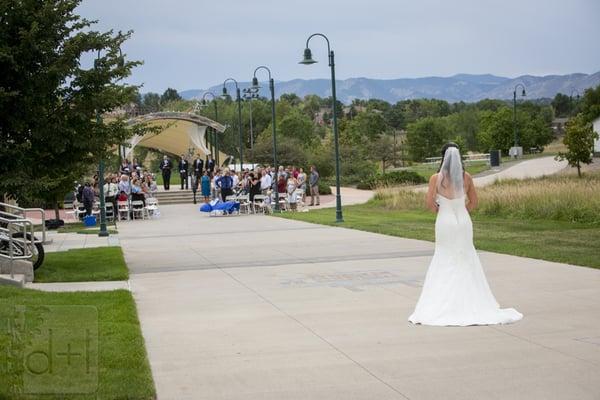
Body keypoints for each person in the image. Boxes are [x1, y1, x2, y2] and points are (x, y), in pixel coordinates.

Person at [408, 144, 523, 326]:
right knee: (466, 255)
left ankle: (442, 303)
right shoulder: (466, 177)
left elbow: (430, 204)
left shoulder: (436, 178)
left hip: (445, 221)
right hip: (463, 221)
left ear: (442, 157)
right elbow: (474, 202)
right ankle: (472, 300)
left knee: (444, 256)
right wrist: (460, 211)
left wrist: (445, 212)